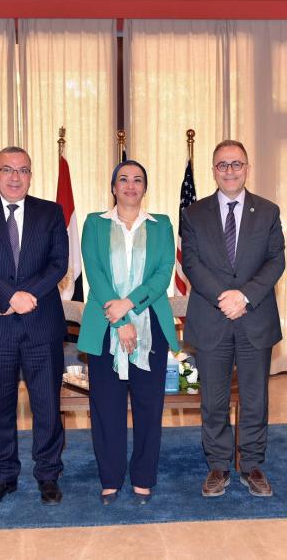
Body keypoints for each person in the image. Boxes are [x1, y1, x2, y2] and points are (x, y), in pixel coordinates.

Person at [0, 146, 68, 506]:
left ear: (31, 175)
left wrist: (25, 296)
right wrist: (7, 297)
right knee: (0, 406)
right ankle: (3, 476)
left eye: (22, 170)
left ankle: (48, 475)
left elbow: (58, 264)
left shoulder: (50, 212)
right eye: (7, 169)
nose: (15, 177)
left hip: (41, 324)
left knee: (48, 406)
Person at [182, 140, 285, 498]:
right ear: (213, 170)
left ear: (247, 168)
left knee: (255, 398)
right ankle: (218, 465)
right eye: (222, 165)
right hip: (212, 318)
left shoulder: (268, 212)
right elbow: (191, 263)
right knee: (213, 399)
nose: (230, 171)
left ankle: (253, 464)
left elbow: (276, 261)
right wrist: (223, 298)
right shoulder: (194, 214)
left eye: (236, 164)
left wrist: (244, 296)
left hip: (254, 317)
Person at [77, 159, 178, 505]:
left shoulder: (162, 225)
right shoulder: (94, 223)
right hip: (104, 328)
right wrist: (120, 320)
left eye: (137, 180)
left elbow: (163, 275)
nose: (131, 185)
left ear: (145, 188)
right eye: (123, 179)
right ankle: (110, 477)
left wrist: (129, 304)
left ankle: (144, 476)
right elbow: (95, 274)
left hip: (152, 328)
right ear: (113, 186)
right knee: (107, 407)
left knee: (149, 407)